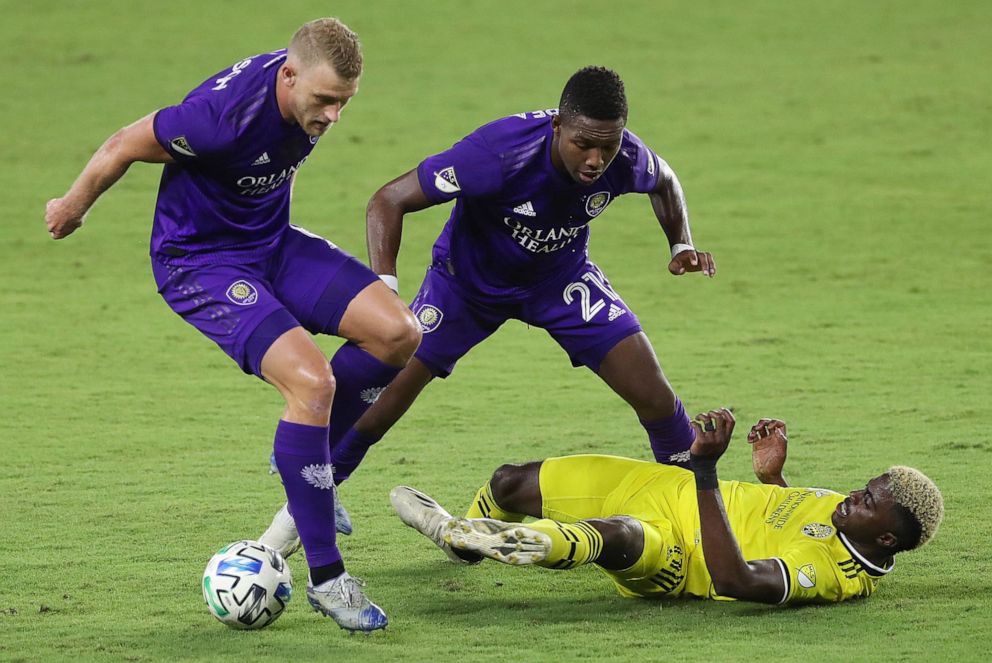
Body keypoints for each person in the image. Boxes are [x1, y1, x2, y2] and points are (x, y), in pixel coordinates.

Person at [43, 18, 420, 632]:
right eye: (324, 101)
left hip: (271, 245)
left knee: (399, 333)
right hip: (201, 263)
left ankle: (311, 470)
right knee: (313, 384)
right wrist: (70, 208)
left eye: (344, 103)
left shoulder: (304, 85)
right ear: (289, 76)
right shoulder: (217, 119)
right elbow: (120, 144)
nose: (332, 116)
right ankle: (328, 577)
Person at [260, 65, 716, 552]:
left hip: (558, 280)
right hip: (465, 286)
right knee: (381, 405)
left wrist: (680, 244)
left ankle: (696, 523)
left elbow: (665, 181)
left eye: (608, 145)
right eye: (584, 144)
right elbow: (387, 201)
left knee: (654, 395)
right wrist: (386, 290)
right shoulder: (499, 154)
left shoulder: (624, 156)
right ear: (558, 126)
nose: (596, 159)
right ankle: (293, 520)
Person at [391, 410, 943, 605]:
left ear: (887, 539)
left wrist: (705, 469)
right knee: (510, 481)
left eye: (868, 500)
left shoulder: (834, 572)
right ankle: (462, 538)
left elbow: (737, 579)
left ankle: (538, 544)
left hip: (681, 552)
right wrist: (772, 475)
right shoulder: (847, 517)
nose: (851, 496)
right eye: (863, 486)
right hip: (658, 484)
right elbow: (784, 517)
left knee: (618, 537)